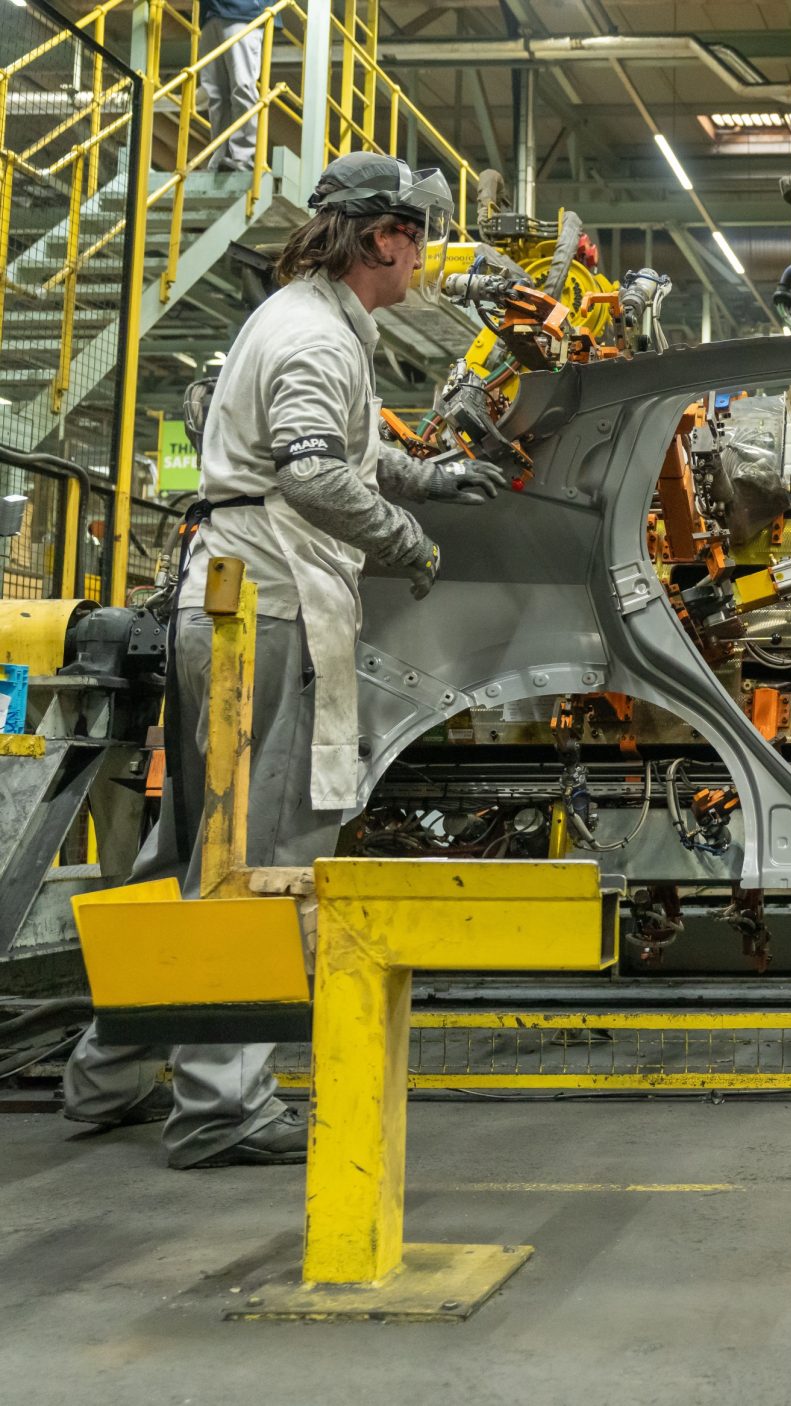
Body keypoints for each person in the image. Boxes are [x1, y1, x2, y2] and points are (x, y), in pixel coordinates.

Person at [62, 153, 510, 1169]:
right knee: (260, 857)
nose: (425, 258)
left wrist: (430, 475)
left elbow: (335, 451)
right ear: (385, 237)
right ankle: (221, 1106)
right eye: (420, 238)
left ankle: (108, 1074)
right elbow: (312, 476)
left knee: (192, 853)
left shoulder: (306, 320)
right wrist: (408, 541)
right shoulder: (314, 334)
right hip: (264, 613)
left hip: (228, 605)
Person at [198, 0, 268, 172]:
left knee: (242, 86)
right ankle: (220, 157)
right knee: (215, 95)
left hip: (242, 12)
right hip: (211, 15)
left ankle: (244, 157)